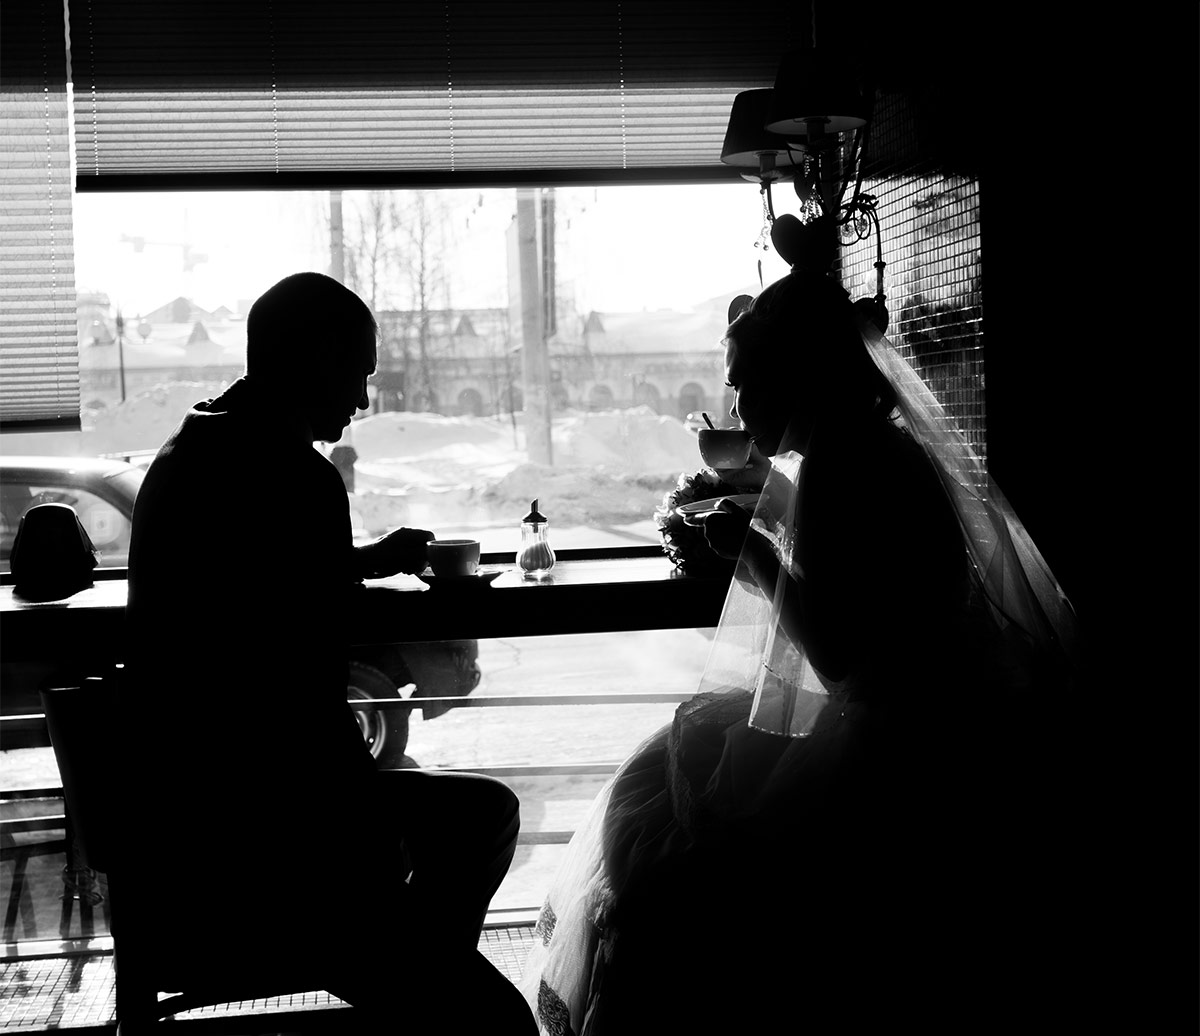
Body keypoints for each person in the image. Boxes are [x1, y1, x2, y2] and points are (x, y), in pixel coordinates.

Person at [518, 217, 1077, 1033]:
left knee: (670, 865)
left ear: (794, 378)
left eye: (746, 380)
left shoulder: (839, 470)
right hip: (949, 707)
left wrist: (758, 561)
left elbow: (841, 652)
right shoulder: (882, 451)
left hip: (897, 740)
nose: (735, 400)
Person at [121, 271, 536, 1033]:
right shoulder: (296, 477)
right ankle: (412, 986)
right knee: (486, 844)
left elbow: (251, 584)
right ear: (314, 356)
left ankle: (412, 988)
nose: (362, 399)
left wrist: (365, 560)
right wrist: (441, 603)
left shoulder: (192, 450)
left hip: (185, 818)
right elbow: (313, 631)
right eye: (358, 371)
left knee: (467, 834)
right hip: (277, 837)